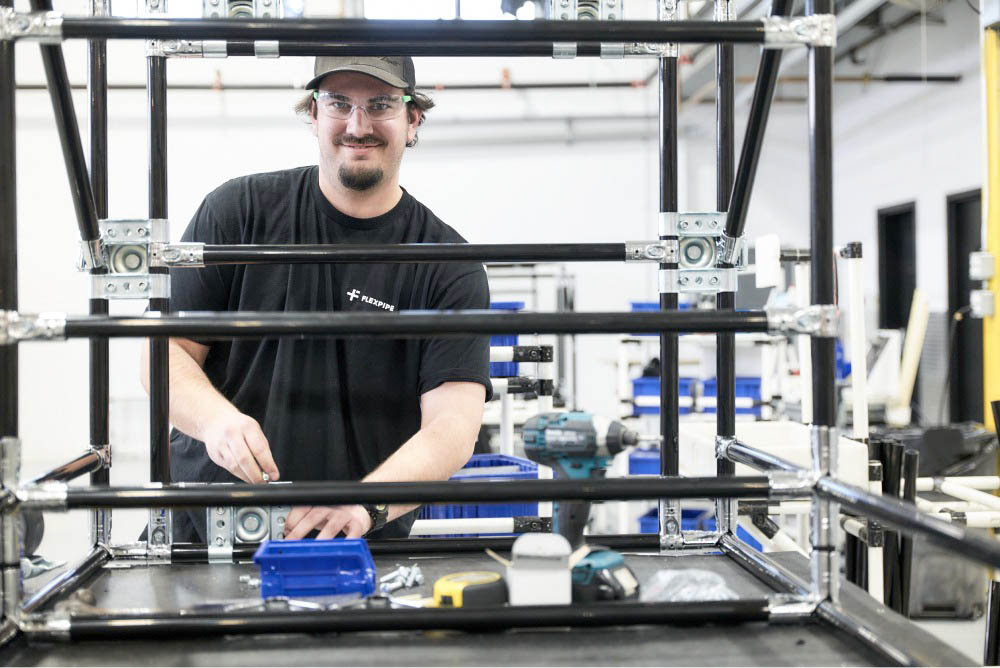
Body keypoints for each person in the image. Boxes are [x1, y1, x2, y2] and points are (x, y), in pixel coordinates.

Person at [140, 56, 491, 543]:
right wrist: (216, 421)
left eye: (381, 104)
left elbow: (453, 425)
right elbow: (163, 353)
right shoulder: (237, 213)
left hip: (356, 549)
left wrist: (367, 504)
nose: (358, 124)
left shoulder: (448, 264)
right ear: (313, 114)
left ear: (413, 120)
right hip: (208, 534)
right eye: (339, 103)